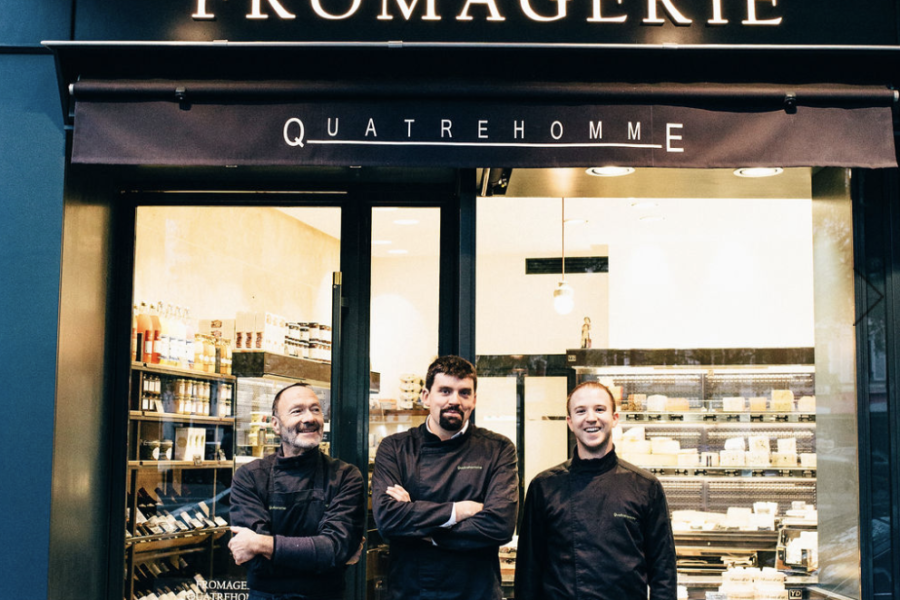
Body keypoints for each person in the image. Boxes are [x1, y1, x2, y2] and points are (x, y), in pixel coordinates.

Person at [372, 355, 519, 600]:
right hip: (412, 590)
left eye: (464, 393)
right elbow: (388, 519)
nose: (454, 400)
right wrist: (459, 511)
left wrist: (423, 528)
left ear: (474, 399)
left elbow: (500, 525)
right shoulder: (395, 448)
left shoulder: (498, 448)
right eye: (445, 391)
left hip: (475, 590)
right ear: (426, 396)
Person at [514, 381, 677, 600]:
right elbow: (528, 571)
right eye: (581, 411)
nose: (591, 418)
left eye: (600, 409)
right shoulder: (544, 486)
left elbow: (663, 571)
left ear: (615, 418)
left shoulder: (645, 486)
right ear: (570, 422)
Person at [229, 383, 366, 600]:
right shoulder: (251, 477)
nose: (310, 418)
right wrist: (321, 556)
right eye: (297, 411)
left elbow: (335, 550)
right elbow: (256, 564)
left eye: (315, 409)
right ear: (276, 425)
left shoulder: (345, 476)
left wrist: (261, 543)